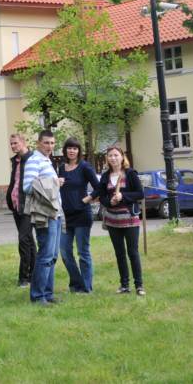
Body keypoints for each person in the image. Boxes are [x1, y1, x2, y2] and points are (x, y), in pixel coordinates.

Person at [98, 145, 145, 295]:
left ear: (122, 157)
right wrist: (109, 202)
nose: (113, 158)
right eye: (110, 155)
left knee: (133, 252)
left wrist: (122, 196)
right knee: (119, 253)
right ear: (107, 158)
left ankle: (139, 285)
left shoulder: (130, 173)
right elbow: (102, 196)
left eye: (116, 155)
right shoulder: (105, 176)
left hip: (129, 219)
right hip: (112, 220)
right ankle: (124, 285)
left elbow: (140, 193)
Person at [23, 130, 62, 305]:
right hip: (44, 214)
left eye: (52, 143)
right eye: (46, 143)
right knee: (45, 255)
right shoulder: (34, 160)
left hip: (55, 213)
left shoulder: (47, 160)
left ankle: (48, 293)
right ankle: (38, 296)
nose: (50, 146)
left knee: (52, 255)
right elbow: (27, 186)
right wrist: (55, 182)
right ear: (38, 143)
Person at [58, 137, 101, 293]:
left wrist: (87, 199)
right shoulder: (61, 168)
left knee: (83, 253)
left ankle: (86, 287)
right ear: (65, 150)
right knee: (64, 252)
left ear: (78, 151)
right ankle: (77, 284)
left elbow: (99, 187)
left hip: (82, 215)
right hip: (65, 216)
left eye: (75, 148)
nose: (72, 151)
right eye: (69, 148)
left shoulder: (84, 167)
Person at [6, 133, 36, 288]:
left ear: (23, 142)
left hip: (28, 206)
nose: (13, 146)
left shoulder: (32, 159)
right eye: (11, 144)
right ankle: (34, 274)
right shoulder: (15, 161)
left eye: (15, 143)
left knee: (24, 240)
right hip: (16, 205)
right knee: (29, 240)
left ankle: (24, 278)